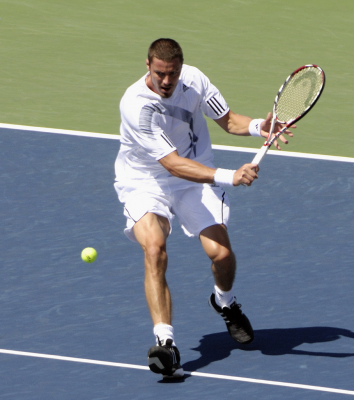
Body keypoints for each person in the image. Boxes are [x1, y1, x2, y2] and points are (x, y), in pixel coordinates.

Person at [114, 38, 293, 379]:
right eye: (160, 74)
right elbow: (171, 164)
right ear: (148, 66)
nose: (167, 81)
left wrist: (259, 126)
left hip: (193, 179)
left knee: (222, 256)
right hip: (145, 181)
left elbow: (227, 121)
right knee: (154, 248)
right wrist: (230, 175)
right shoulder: (136, 105)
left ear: (181, 69)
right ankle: (165, 343)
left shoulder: (195, 80)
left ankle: (224, 302)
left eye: (173, 74)